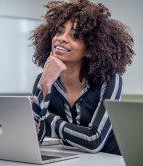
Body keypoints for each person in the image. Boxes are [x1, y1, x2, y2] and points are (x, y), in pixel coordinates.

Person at [30, 0, 134, 155]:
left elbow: (94, 141)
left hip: (110, 160)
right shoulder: (44, 79)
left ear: (90, 48)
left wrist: (47, 117)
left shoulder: (110, 80)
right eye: (59, 31)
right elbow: (35, 139)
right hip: (71, 159)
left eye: (75, 35)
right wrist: (45, 84)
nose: (61, 38)